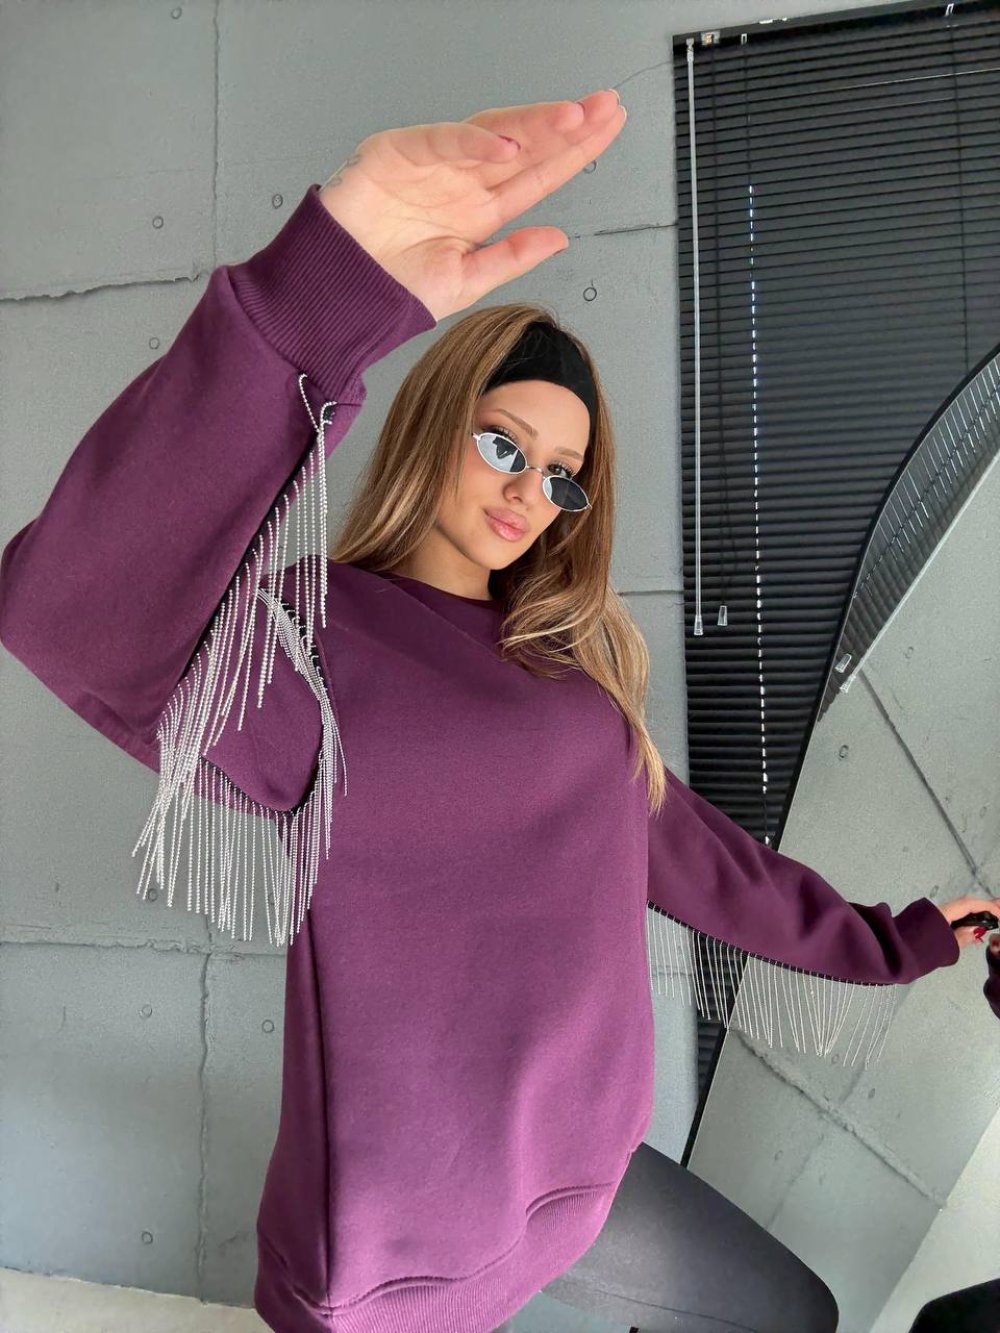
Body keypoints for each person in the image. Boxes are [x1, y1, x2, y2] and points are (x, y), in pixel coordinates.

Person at [1, 91, 997, 1333]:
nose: (532, 492)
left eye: (562, 474)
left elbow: (708, 865)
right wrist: (320, 296)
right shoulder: (316, 636)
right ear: (438, 424)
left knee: (793, 1313)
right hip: (401, 1248)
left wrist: (901, 938)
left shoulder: (565, 670)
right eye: (505, 445)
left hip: (582, 1176)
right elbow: (79, 612)